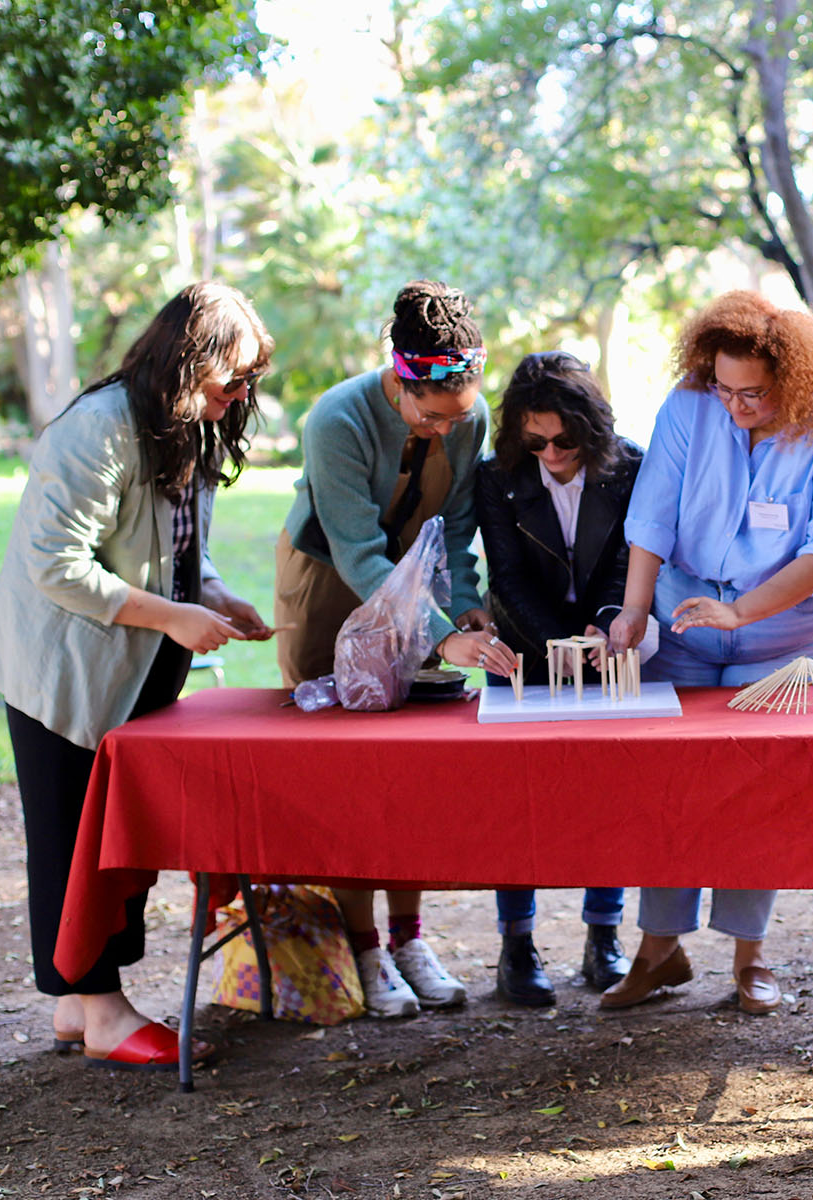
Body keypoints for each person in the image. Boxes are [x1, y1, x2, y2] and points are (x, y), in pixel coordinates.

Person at [0, 281, 276, 1070]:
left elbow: (168, 550)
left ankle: (79, 1004)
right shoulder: (98, 429)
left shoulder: (188, 428)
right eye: (228, 379)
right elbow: (54, 566)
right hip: (63, 675)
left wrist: (212, 595)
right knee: (71, 841)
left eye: (247, 382)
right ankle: (100, 1009)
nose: (238, 395)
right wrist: (172, 617)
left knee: (113, 835)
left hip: (135, 671)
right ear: (185, 361)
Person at [600, 290, 813, 1016]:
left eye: (752, 393)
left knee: (756, 789)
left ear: (793, 381)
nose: (735, 406)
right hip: (688, 626)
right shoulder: (690, 407)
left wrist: (743, 610)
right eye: (723, 388)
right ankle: (658, 951)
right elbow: (653, 512)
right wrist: (633, 612)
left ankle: (750, 959)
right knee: (673, 785)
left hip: (790, 634)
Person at [274, 280, 518, 1019]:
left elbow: (457, 529)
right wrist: (442, 633)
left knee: (402, 769)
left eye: (458, 417)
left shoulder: (465, 420)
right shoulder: (337, 418)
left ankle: (410, 939)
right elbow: (359, 555)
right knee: (348, 771)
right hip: (329, 582)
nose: (446, 430)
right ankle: (365, 950)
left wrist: (466, 606)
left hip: (419, 582)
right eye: (430, 416)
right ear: (399, 381)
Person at [474, 351, 643, 1006]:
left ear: (591, 430)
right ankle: (516, 947)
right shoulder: (498, 477)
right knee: (517, 803)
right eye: (534, 439)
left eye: (563, 440)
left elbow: (631, 558)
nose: (549, 452)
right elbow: (506, 576)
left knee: (610, 795)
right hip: (524, 650)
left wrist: (605, 625)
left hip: (609, 644)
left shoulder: (630, 467)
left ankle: (604, 938)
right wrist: (559, 645)